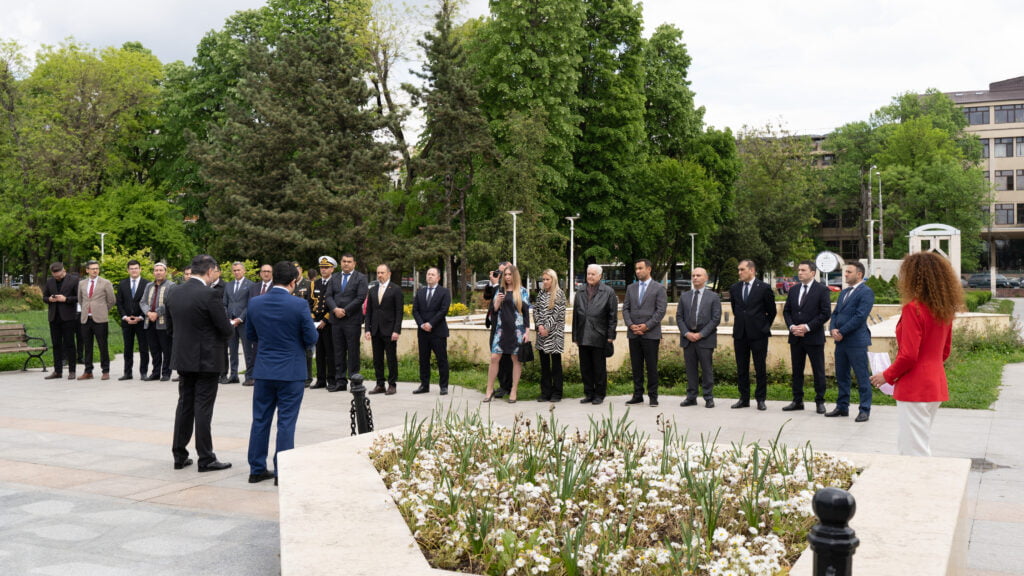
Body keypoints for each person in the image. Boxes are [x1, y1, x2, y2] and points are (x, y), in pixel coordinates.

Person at [870, 252, 961, 456]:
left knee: (912, 451)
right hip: (935, 383)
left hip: (914, 386)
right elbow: (944, 351)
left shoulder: (914, 309)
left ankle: (922, 479)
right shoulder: (943, 309)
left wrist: (886, 375)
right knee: (919, 443)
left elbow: (909, 355)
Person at [245, 261, 318, 484]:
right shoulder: (299, 305)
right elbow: (311, 337)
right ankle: (282, 471)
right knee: (286, 423)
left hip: (264, 370)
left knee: (260, 420)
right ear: (293, 282)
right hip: (291, 371)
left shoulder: (255, 302)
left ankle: (256, 469)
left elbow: (251, 335)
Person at [166, 254, 233, 472]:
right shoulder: (210, 294)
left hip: (183, 357)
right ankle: (206, 457)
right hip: (207, 359)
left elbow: (170, 328)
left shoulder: (174, 292)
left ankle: (179, 454)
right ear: (210, 270)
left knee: (185, 405)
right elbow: (225, 329)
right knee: (203, 408)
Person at [827, 261, 876, 422]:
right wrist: (833, 329)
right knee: (842, 376)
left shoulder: (866, 292)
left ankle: (864, 410)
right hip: (840, 342)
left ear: (859, 274)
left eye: (849, 272)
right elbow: (835, 313)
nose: (845, 274)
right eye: (845, 271)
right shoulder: (844, 292)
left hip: (856, 342)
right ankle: (842, 407)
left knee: (862, 376)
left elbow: (860, 316)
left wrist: (842, 331)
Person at [781, 260, 832, 414]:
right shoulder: (794, 290)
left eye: (803, 270)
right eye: (799, 270)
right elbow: (787, 311)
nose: (800, 273)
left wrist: (807, 327)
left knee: (818, 371)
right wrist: (792, 327)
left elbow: (825, 313)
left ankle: (820, 401)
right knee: (797, 371)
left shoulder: (822, 290)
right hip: (796, 337)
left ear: (813, 273)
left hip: (814, 337)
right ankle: (797, 401)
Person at [728, 259, 777, 410]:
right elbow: (736, 309)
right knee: (741, 368)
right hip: (740, 334)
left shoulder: (764, 288)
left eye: (742, 269)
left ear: (752, 270)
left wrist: (763, 327)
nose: (739, 272)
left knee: (760, 367)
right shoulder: (735, 288)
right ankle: (744, 398)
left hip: (758, 335)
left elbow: (772, 311)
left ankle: (760, 399)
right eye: (739, 270)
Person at [622, 259, 667, 407]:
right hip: (633, 333)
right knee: (636, 366)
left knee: (651, 367)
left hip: (651, 334)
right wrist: (631, 325)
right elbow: (625, 309)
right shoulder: (631, 288)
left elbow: (660, 311)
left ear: (649, 269)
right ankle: (637, 395)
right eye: (636, 269)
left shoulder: (659, 288)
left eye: (640, 268)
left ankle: (653, 396)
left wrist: (646, 326)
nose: (638, 271)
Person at [483, 264, 530, 403]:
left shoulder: (522, 291)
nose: (508, 277)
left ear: (515, 276)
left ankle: (514, 390)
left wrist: (527, 331)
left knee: (516, 359)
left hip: (517, 330)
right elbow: (494, 311)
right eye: (506, 275)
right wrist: (497, 301)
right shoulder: (500, 290)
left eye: (510, 274)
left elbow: (526, 313)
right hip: (501, 329)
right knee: (494, 358)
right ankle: (489, 389)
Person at [572, 264, 618, 405]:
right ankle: (589, 393)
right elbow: (575, 315)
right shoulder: (580, 291)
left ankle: (599, 394)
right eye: (588, 274)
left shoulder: (608, 292)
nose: (590, 276)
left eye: (593, 274)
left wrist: (610, 336)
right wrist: (575, 336)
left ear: (600, 276)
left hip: (600, 335)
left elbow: (612, 316)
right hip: (582, 334)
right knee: (585, 367)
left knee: (599, 368)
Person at [676, 267, 721, 408]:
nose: (695, 278)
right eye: (693, 275)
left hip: (705, 339)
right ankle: (691, 397)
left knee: (707, 369)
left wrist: (701, 334)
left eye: (699, 275)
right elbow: (679, 317)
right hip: (688, 339)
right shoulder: (684, 296)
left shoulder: (713, 297)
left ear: (706, 278)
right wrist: (686, 333)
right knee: (690, 370)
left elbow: (715, 319)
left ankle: (708, 397)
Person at [325, 253, 368, 392]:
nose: (346, 264)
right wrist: (335, 309)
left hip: (352, 320)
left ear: (354, 264)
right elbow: (328, 296)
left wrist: (344, 310)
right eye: (344, 261)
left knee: (353, 351)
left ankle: (355, 380)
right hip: (336, 320)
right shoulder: (334, 277)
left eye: (349, 261)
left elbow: (360, 297)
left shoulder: (361, 278)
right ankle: (340, 381)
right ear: (341, 262)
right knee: (338, 351)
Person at [364, 263, 403, 395]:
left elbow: (399, 312)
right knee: (377, 359)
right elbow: (368, 311)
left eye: (382, 273)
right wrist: (367, 329)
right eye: (378, 273)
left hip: (390, 330)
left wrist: (396, 330)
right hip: (375, 330)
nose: (380, 275)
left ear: (389, 274)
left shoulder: (396, 289)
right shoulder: (372, 290)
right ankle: (380, 384)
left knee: (391, 358)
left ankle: (392, 384)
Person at [412, 267, 451, 396]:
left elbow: (443, 310)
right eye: (428, 274)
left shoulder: (444, 292)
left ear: (438, 278)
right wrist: (422, 324)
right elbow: (415, 310)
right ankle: (424, 385)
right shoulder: (420, 292)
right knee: (423, 360)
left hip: (438, 332)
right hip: (423, 332)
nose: (429, 276)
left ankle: (443, 386)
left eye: (432, 274)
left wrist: (431, 324)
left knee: (441, 360)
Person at [77, 260, 116, 380]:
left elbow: (111, 300)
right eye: (92, 268)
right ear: (87, 270)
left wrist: (102, 309)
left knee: (102, 346)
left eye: (97, 268)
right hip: (85, 319)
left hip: (100, 319)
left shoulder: (105, 283)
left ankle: (105, 370)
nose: (95, 270)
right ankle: (88, 371)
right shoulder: (82, 283)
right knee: (87, 346)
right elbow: (80, 299)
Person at [533, 268, 566, 402]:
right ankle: (545, 392)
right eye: (543, 279)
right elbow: (536, 310)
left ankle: (557, 393)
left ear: (553, 280)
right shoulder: (541, 293)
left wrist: (547, 328)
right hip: (542, 335)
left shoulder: (559, 294)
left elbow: (557, 314)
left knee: (556, 365)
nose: (545, 282)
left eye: (547, 279)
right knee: (544, 365)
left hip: (554, 335)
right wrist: (540, 326)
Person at [43, 262, 79, 380]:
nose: (57, 277)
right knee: (56, 345)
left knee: (70, 344)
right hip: (54, 317)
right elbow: (44, 297)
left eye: (59, 275)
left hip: (68, 318)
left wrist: (66, 299)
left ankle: (72, 371)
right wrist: (49, 299)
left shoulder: (74, 280)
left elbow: (79, 297)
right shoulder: (50, 281)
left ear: (64, 270)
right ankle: (57, 371)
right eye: (55, 276)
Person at [140, 262, 176, 381]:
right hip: (149, 322)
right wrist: (148, 313)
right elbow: (142, 302)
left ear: (165, 272)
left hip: (164, 323)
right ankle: (155, 373)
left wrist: (157, 313)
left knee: (166, 350)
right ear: (153, 272)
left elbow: (170, 303)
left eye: (161, 270)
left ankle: (166, 373)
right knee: (154, 350)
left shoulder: (171, 286)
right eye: (156, 270)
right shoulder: (149, 286)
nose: (158, 272)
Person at [115, 260, 149, 381]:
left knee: (143, 348)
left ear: (140, 269)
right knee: (127, 348)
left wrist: (141, 316)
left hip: (141, 321)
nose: (134, 270)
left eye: (136, 268)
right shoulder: (122, 284)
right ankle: (127, 373)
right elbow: (119, 302)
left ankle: (143, 372)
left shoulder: (147, 284)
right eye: (131, 268)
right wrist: (125, 317)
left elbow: (148, 302)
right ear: (128, 270)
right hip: (127, 321)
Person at [483, 261, 513, 398]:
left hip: (506, 327)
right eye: (499, 271)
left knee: (506, 358)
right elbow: (487, 296)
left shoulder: (511, 287)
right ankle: (502, 384)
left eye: (503, 272)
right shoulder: (497, 285)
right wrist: (492, 283)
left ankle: (507, 386)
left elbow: (501, 298)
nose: (501, 275)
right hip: (495, 325)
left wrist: (496, 285)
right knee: (495, 355)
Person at [308, 256, 337, 390]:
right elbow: (310, 302)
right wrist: (313, 318)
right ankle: (321, 380)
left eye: (326, 267)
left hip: (329, 322)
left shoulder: (335, 283)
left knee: (330, 352)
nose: (323, 270)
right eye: (321, 267)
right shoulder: (315, 283)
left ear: (332, 269)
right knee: (319, 352)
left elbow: (335, 303)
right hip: (316, 322)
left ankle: (332, 380)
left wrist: (325, 319)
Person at [224, 262, 254, 384]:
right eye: (234, 270)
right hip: (230, 322)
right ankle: (233, 375)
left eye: (238, 270)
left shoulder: (251, 285)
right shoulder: (228, 285)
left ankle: (249, 376)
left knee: (247, 350)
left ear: (244, 271)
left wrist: (240, 318)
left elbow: (250, 304)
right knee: (232, 350)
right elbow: (224, 303)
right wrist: (228, 319)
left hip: (244, 322)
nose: (236, 272)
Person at [292, 261, 313, 385]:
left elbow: (311, 303)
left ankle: (307, 377)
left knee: (307, 351)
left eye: (297, 269)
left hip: (304, 321)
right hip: (291, 322)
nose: (296, 272)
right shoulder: (289, 284)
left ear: (301, 270)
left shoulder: (309, 284)